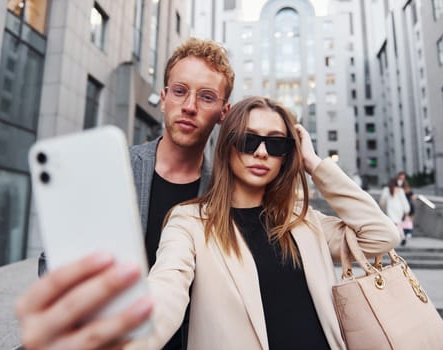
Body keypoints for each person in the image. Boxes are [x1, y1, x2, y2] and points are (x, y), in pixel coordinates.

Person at [126, 96, 399, 349]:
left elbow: (381, 235)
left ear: (287, 155)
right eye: (249, 140)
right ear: (228, 145)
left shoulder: (303, 222)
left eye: (277, 143)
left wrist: (314, 164)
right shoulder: (190, 222)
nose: (261, 152)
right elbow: (167, 289)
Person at [33, 37, 234, 350]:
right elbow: (53, 263)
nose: (189, 106)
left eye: (206, 97)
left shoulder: (224, 191)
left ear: (224, 111)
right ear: (164, 97)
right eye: (180, 91)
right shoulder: (113, 168)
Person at [379, 177, 410, 245]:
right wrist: (406, 210)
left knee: (393, 223)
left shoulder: (387, 189)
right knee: (397, 223)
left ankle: (397, 238)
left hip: (391, 208)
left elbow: (383, 200)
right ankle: (401, 237)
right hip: (399, 209)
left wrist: (381, 207)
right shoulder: (400, 190)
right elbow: (404, 201)